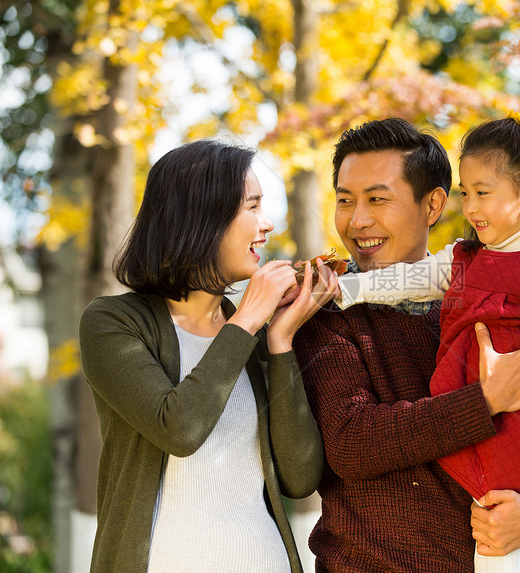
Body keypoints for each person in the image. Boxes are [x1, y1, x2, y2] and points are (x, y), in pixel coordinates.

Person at [292, 118, 520, 573]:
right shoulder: (329, 311)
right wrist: (484, 401)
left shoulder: (488, 288)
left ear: (434, 205)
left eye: (378, 199)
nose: (357, 220)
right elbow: (352, 443)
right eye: (345, 200)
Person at [78, 139, 337, 573]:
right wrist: (250, 318)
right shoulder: (113, 323)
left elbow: (300, 477)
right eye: (252, 207)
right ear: (202, 218)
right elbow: (180, 428)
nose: (267, 224)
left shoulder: (255, 335)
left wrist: (280, 342)